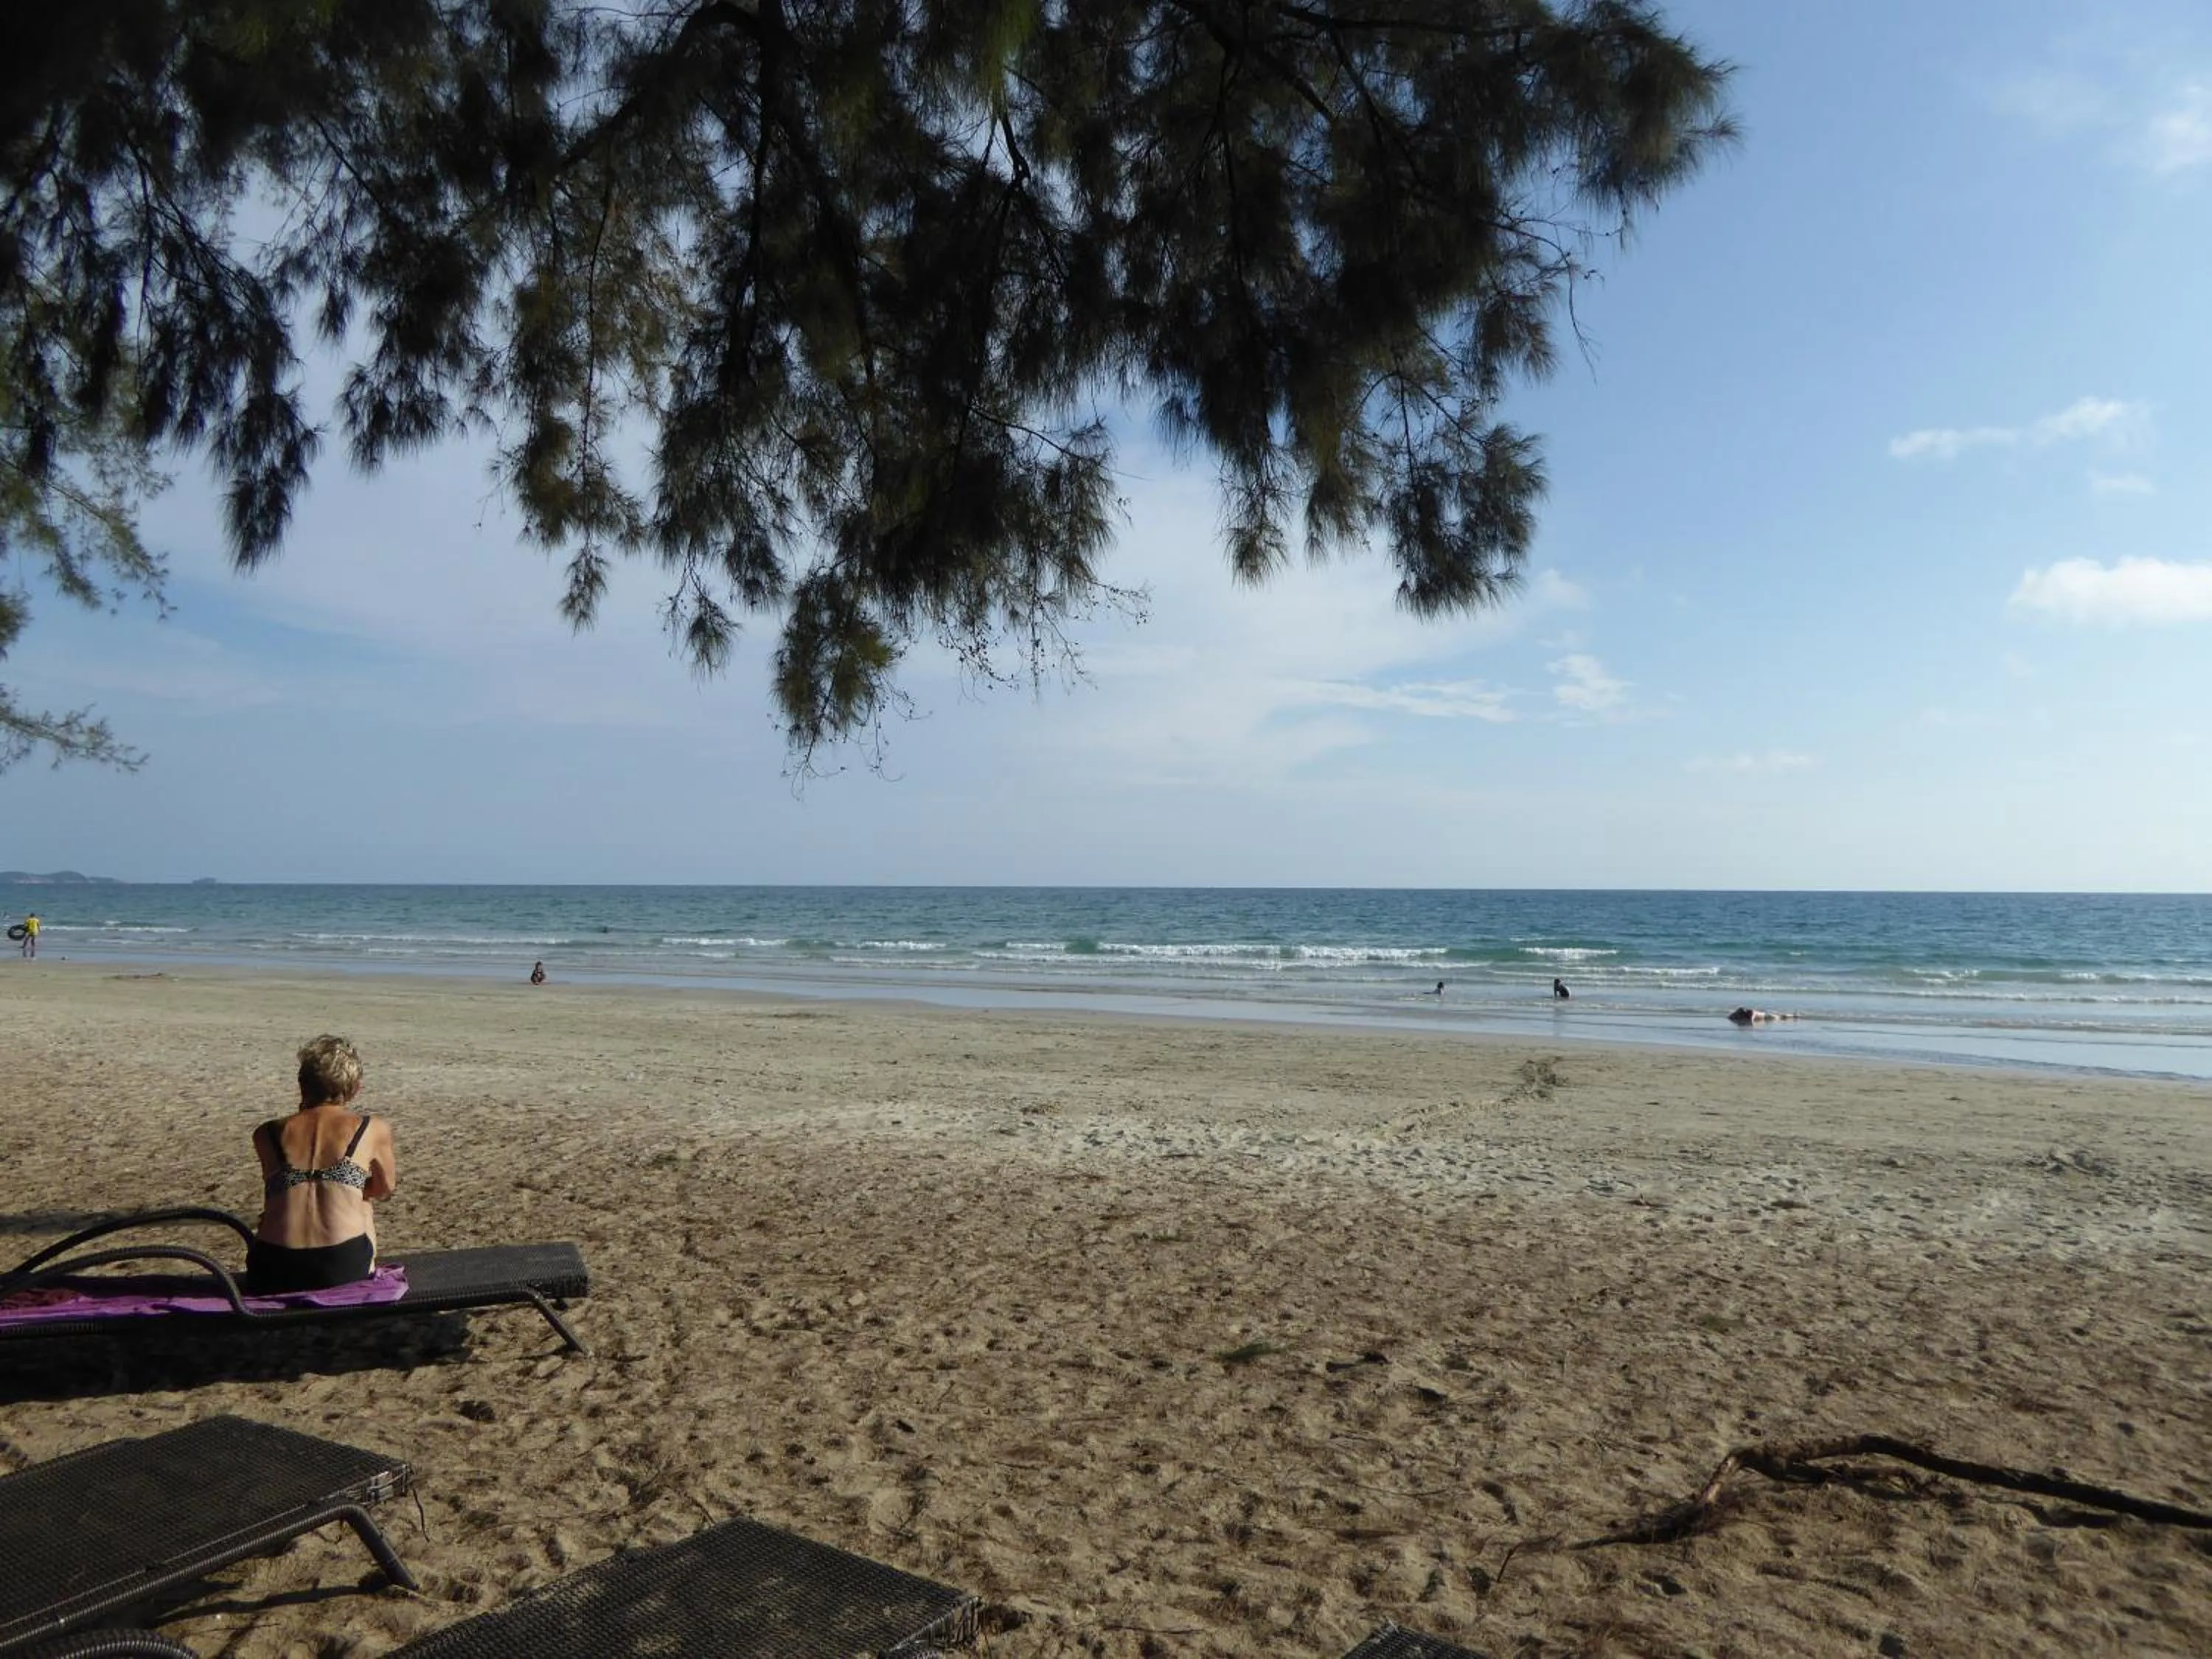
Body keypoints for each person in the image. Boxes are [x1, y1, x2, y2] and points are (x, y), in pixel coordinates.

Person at [246, 1035, 397, 1293]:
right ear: (356, 1087)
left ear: (302, 1085)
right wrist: (348, 1186)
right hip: (340, 1265)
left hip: (272, 1267)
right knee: (362, 1202)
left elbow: (276, 1194)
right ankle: (365, 1265)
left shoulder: (266, 1134)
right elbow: (385, 1188)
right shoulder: (371, 1128)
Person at [1728, 1006, 1798, 1025]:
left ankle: (1793, 1016)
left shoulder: (1751, 1013)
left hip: (1766, 1016)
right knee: (1780, 1017)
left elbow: (1753, 1019)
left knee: (1780, 1017)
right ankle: (1793, 1016)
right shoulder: (1750, 1014)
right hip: (1765, 1017)